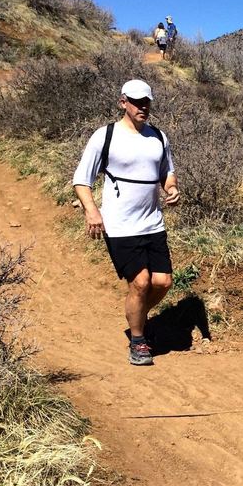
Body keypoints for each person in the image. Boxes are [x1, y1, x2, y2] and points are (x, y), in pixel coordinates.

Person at [73, 79, 180, 365]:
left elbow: (167, 172)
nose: (143, 106)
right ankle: (138, 340)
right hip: (120, 226)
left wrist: (171, 188)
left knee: (164, 281)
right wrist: (92, 211)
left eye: (147, 101)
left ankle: (138, 318)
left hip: (153, 223)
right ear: (123, 102)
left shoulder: (158, 137)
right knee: (141, 282)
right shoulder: (105, 136)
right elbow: (81, 180)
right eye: (136, 101)